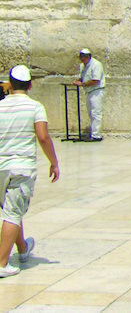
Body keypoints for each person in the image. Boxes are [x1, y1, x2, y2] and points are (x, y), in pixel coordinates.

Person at [0, 66, 60, 278]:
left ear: (10, 82)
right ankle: (2, 263)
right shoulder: (35, 107)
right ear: (31, 85)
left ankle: (23, 249)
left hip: (1, 167)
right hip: (22, 167)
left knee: (11, 209)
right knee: (13, 213)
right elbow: (43, 137)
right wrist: (53, 162)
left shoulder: (1, 106)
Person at [73, 48, 104, 142]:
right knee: (91, 112)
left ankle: (96, 135)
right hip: (89, 91)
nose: (82, 60)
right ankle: (93, 133)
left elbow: (96, 80)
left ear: (89, 57)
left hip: (97, 90)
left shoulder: (96, 64)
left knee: (96, 112)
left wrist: (83, 84)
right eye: (81, 58)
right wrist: (78, 81)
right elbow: (83, 77)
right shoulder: (82, 66)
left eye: (84, 58)